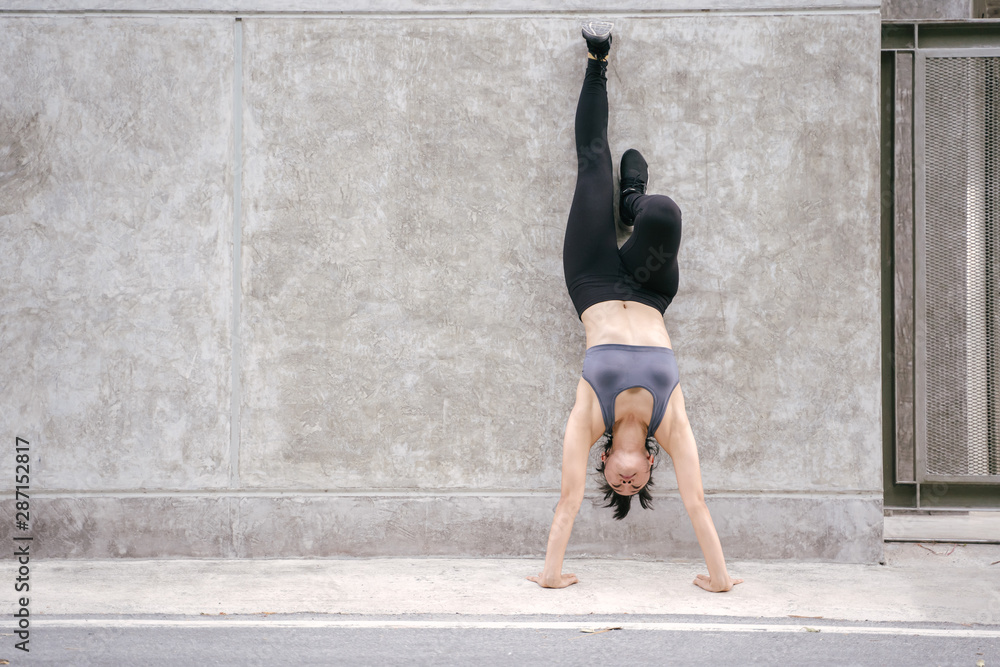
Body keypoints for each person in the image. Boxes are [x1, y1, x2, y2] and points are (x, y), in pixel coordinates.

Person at [527, 22, 743, 593]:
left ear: (604, 465)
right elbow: (696, 503)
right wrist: (719, 579)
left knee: (593, 163)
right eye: (636, 485)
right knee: (664, 214)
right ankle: (635, 200)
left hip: (592, 279)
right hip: (650, 292)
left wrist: (552, 575)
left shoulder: (588, 419)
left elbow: (567, 501)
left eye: (616, 485)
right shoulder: (670, 424)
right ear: (650, 468)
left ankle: (597, 59)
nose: (625, 480)